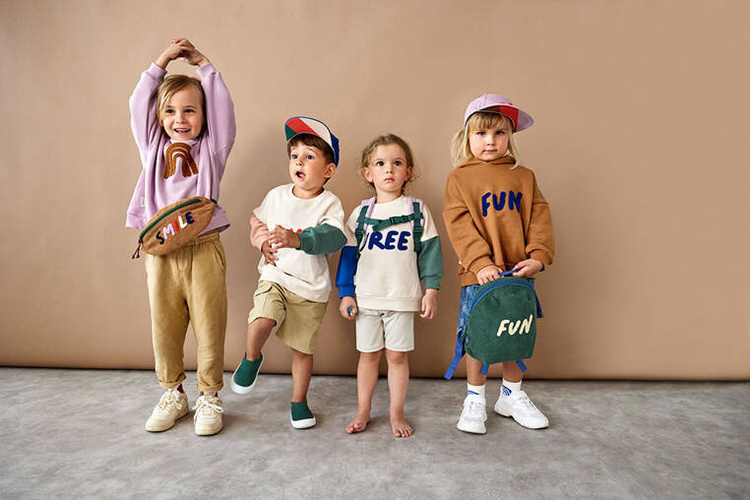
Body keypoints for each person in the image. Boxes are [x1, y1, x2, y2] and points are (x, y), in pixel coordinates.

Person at [126, 38, 235, 436]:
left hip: (203, 248)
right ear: (159, 117)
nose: (180, 119)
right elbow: (138, 102)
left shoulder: (212, 150)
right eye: (170, 111)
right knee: (165, 327)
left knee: (209, 326)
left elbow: (223, 108)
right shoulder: (152, 147)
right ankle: (173, 393)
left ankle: (209, 396)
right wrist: (161, 63)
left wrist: (203, 63)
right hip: (161, 252)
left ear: (204, 116)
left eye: (190, 110)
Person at [443, 94, 555, 434]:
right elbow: (458, 223)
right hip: (479, 275)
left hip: (517, 273)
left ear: (510, 137)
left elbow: (539, 218)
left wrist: (538, 257)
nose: (490, 141)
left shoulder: (524, 176)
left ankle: (511, 395)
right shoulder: (459, 179)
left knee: (514, 333)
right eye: (481, 134)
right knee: (479, 335)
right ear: (467, 137)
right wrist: (480, 262)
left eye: (498, 133)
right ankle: (475, 398)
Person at [231, 117, 346, 429]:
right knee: (262, 319)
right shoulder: (277, 195)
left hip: (310, 288)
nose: (299, 161)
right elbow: (257, 222)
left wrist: (298, 239)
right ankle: (252, 357)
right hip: (276, 275)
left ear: (328, 170)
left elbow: (335, 237)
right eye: (295, 155)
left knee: (301, 350)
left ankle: (299, 401)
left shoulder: (330, 204)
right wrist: (262, 244)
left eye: (309, 156)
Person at [336, 134, 443, 438]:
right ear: (368, 173)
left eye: (397, 163)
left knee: (397, 357)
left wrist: (431, 290)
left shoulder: (417, 211)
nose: (389, 170)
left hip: (402, 297)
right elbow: (348, 258)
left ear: (408, 171)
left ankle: (396, 412)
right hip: (366, 299)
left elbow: (431, 253)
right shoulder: (361, 214)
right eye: (380, 163)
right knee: (368, 356)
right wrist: (345, 293)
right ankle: (363, 410)